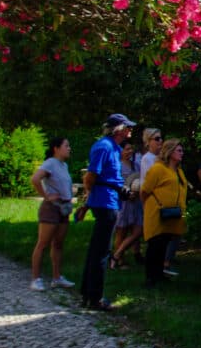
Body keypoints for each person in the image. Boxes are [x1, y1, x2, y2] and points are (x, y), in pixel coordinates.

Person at [80, 113, 137, 311]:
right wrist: (88, 200)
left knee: (97, 249)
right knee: (101, 251)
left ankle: (88, 294)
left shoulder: (114, 148)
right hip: (105, 202)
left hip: (110, 199)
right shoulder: (104, 146)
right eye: (127, 127)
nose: (130, 130)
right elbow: (91, 176)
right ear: (118, 129)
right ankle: (95, 297)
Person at [140, 139, 189, 288]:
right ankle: (150, 278)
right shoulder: (158, 169)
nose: (182, 153)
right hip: (157, 213)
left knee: (164, 244)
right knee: (155, 244)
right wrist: (147, 207)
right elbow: (145, 190)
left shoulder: (179, 171)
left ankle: (159, 274)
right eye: (179, 151)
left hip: (173, 214)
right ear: (170, 152)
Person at [30, 137, 75, 291]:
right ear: (56, 148)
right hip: (51, 208)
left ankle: (57, 277)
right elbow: (35, 179)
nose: (69, 148)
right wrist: (46, 196)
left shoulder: (64, 165)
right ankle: (36, 279)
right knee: (43, 244)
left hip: (64, 208)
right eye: (66, 146)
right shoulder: (50, 163)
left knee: (58, 244)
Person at [111, 141, 142, 269]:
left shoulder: (136, 165)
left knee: (138, 231)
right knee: (121, 233)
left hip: (136, 203)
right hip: (123, 203)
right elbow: (115, 184)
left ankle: (116, 255)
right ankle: (119, 260)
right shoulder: (117, 166)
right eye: (127, 149)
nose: (130, 151)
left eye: (131, 149)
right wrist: (126, 194)